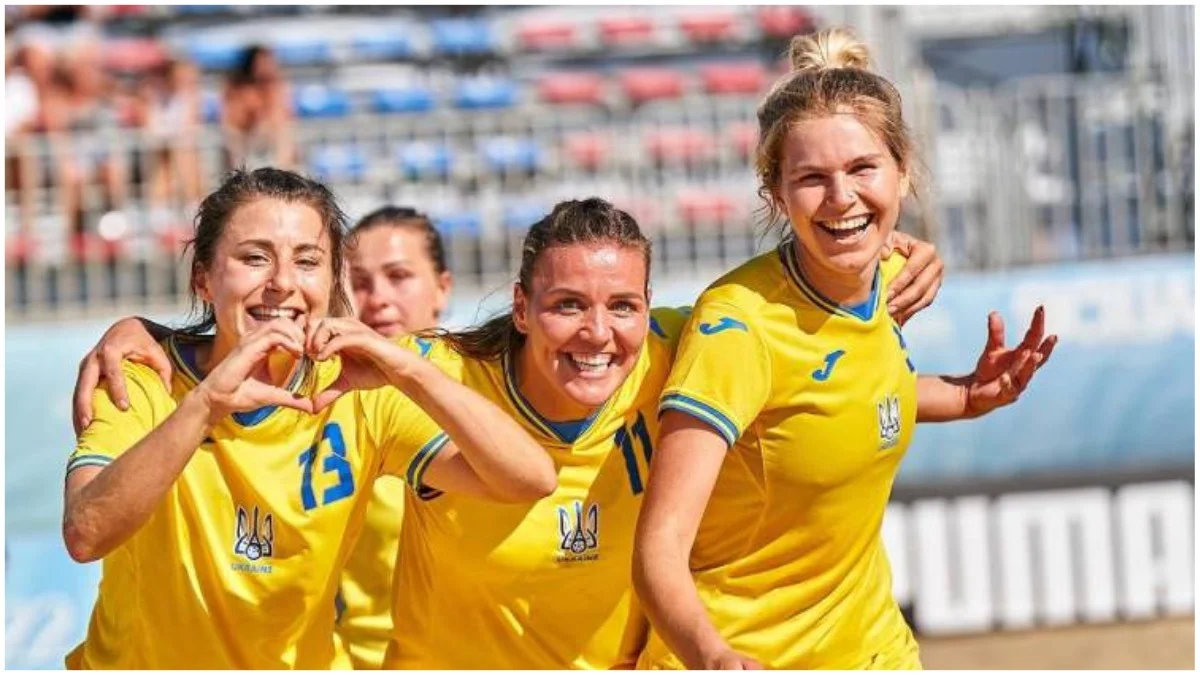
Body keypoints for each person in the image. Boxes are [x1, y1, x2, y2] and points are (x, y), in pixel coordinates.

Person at [71, 197, 945, 669]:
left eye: (307, 261)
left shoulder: (670, 352)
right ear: (522, 307)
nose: (596, 331)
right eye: (566, 304)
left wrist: (871, 243)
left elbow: (798, 344)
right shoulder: (167, 378)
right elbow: (87, 530)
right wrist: (164, 351)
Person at [631, 28, 1058, 671]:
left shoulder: (890, 278)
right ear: (775, 194)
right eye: (811, 178)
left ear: (902, 170)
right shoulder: (739, 328)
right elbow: (658, 550)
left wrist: (966, 395)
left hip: (874, 651)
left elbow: (843, 402)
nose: (842, 198)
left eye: (863, 168)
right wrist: (713, 656)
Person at [62, 168, 555, 669]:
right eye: (254, 258)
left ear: (330, 279)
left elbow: (529, 479)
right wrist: (204, 405)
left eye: (307, 261)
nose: (281, 283)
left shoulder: (360, 390)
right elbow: (85, 533)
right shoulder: (144, 376)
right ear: (203, 278)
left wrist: (406, 369)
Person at [337, 206, 454, 669]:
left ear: (442, 287)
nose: (378, 299)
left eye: (399, 275)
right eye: (360, 283)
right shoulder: (323, 400)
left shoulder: (491, 392)